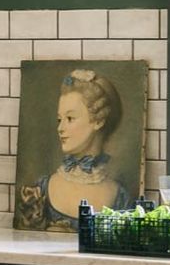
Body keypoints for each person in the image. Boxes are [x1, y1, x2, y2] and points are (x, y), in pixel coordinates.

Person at [16, 68, 138, 228]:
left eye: (70, 118)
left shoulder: (118, 196)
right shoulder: (43, 188)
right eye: (59, 119)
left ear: (98, 121)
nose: (60, 128)